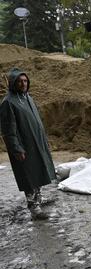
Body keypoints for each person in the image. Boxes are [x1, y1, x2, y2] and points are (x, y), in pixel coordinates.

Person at [0, 68, 56, 220]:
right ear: (13, 83)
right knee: (29, 176)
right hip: (24, 147)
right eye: (19, 81)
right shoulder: (8, 103)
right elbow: (8, 131)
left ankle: (38, 199)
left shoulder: (27, 98)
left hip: (36, 143)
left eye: (25, 81)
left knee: (38, 172)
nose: (23, 84)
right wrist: (16, 148)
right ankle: (34, 208)